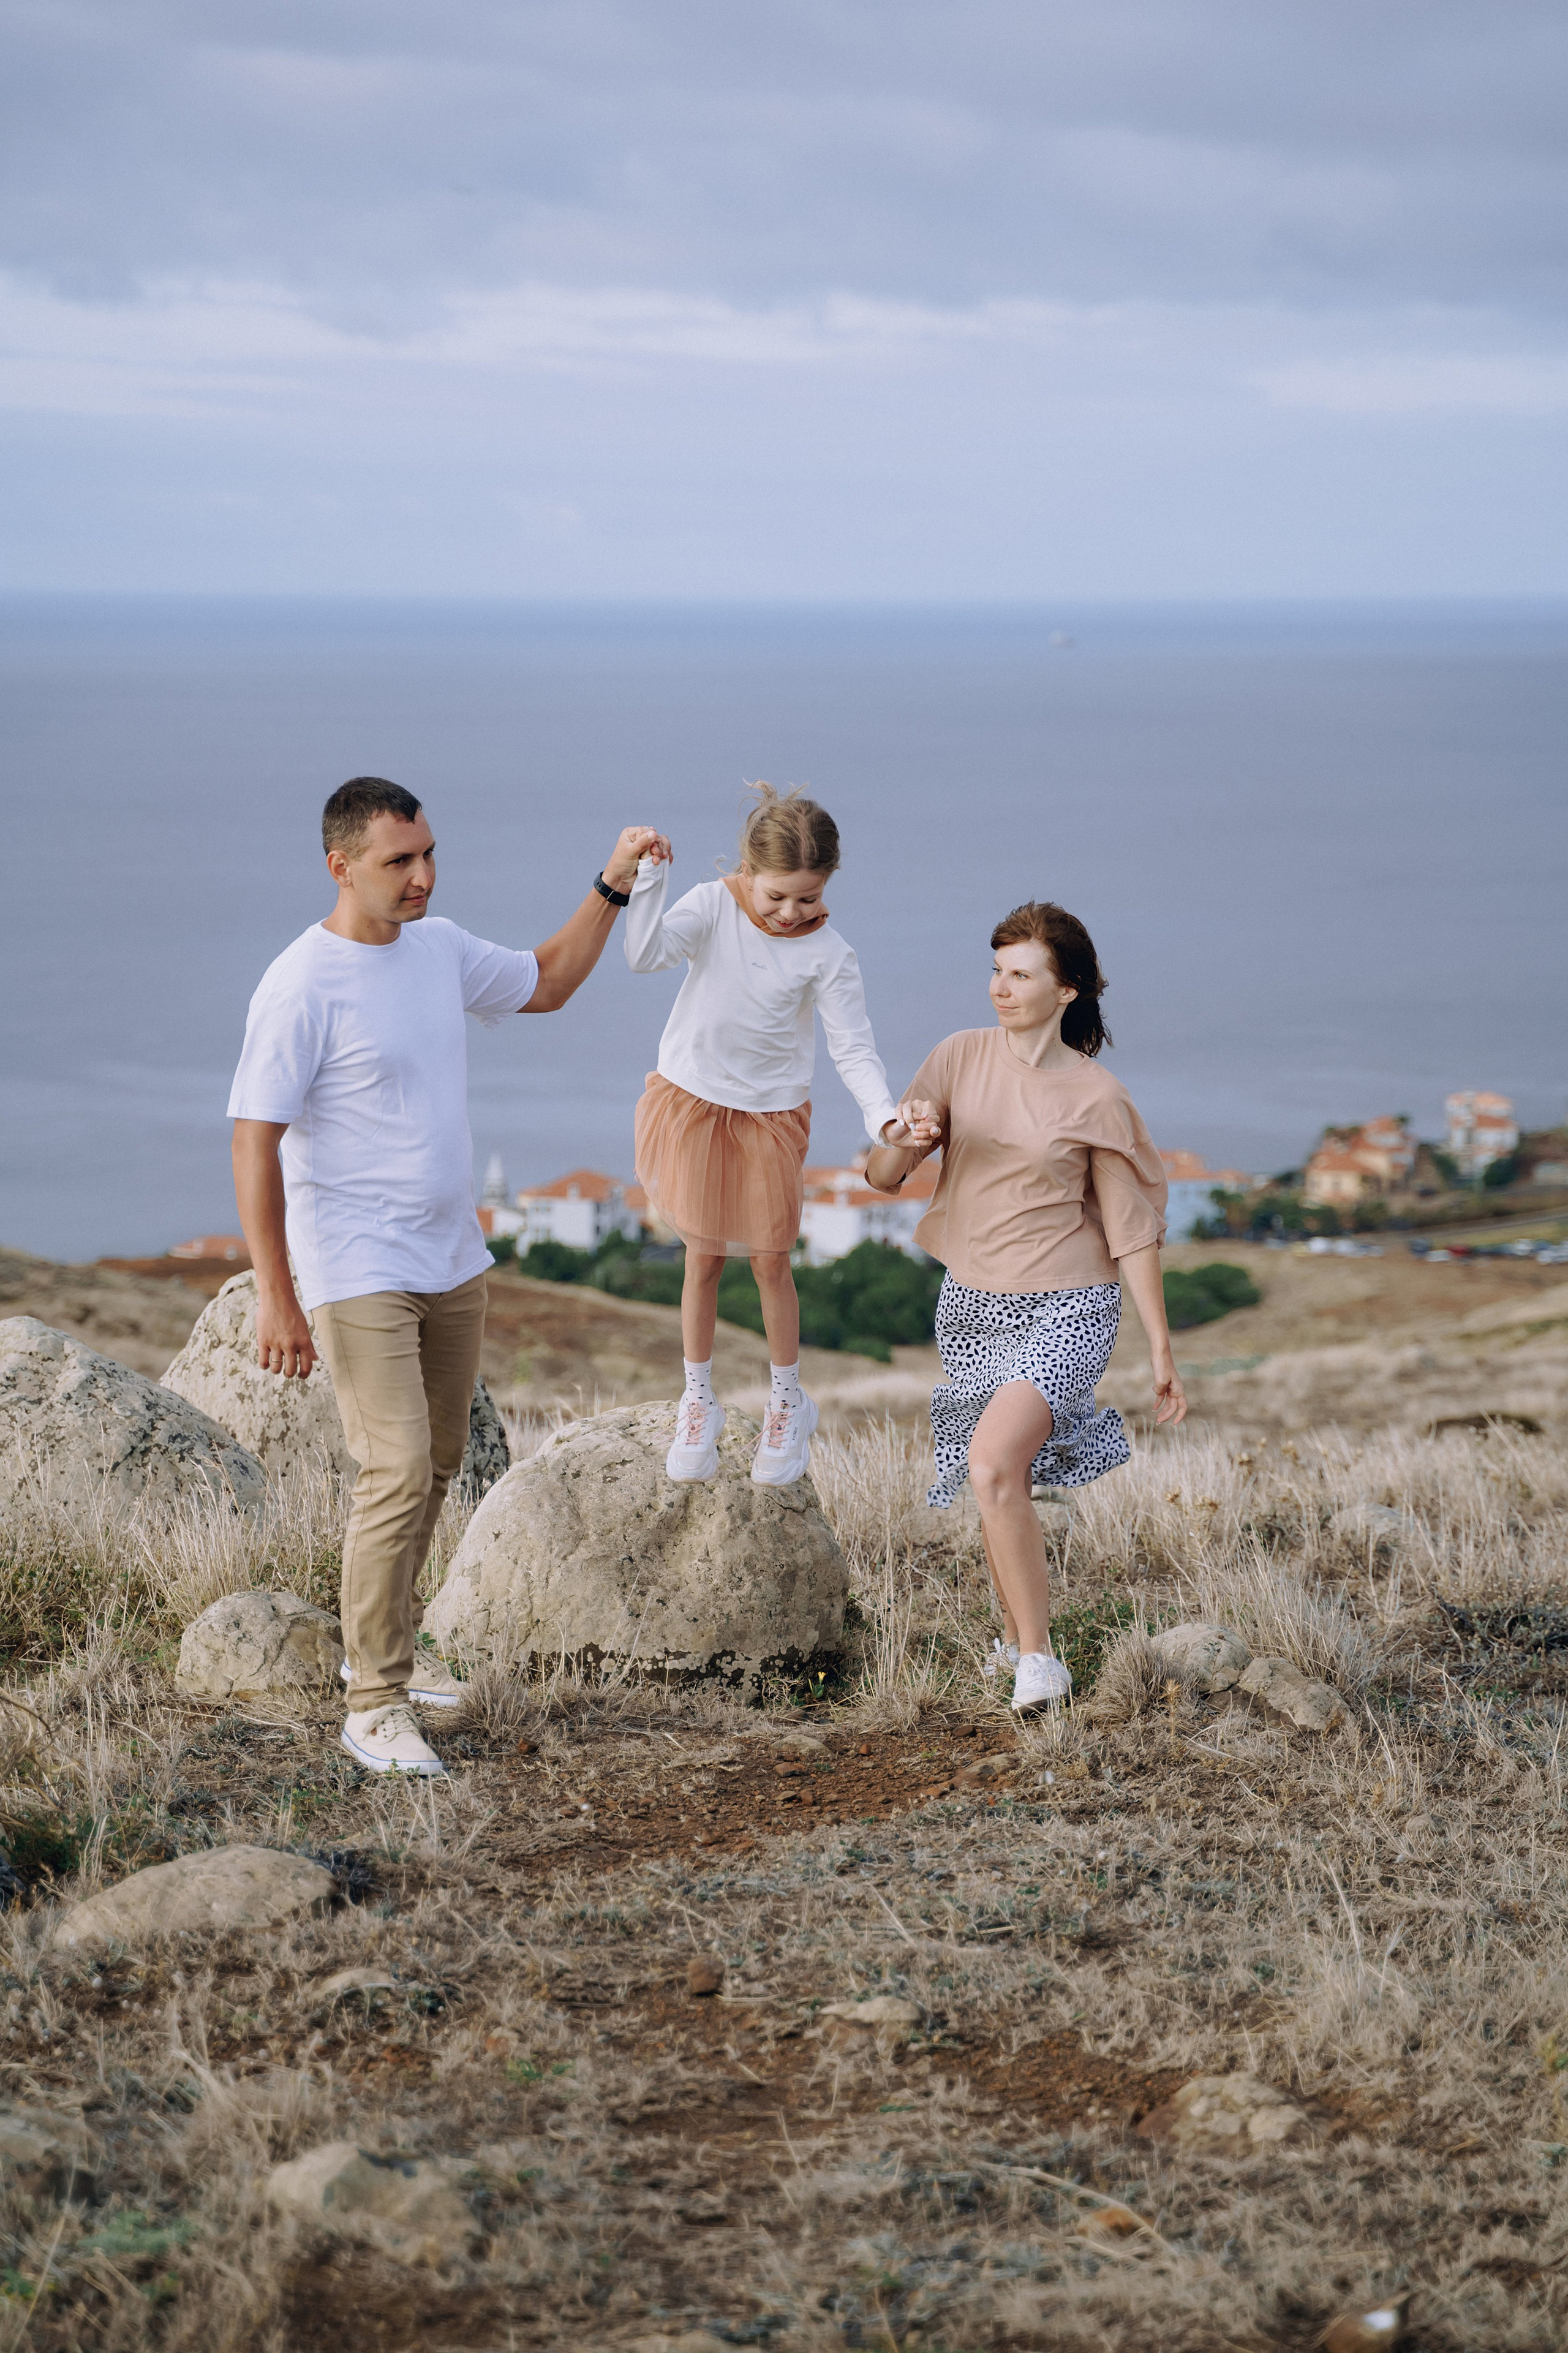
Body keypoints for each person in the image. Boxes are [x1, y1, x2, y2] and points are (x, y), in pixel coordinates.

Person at [228, 775, 669, 1778]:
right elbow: (254, 1145)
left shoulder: (438, 948)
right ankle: (374, 1703)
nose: (422, 876)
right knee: (392, 1469)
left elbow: (548, 981)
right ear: (341, 866)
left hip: (450, 1258)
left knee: (431, 1468)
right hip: (356, 1266)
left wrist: (610, 886)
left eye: (428, 855)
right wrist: (274, 1292)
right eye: (399, 861)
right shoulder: (300, 983)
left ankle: (389, 1654)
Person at [865, 899, 1186, 1716]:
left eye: (1020, 974)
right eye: (996, 970)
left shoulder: (1098, 1096)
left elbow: (1132, 1231)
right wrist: (907, 1135)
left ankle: (1040, 1664)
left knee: (992, 1464)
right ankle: (1016, 1636)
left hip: (1070, 1306)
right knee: (996, 1481)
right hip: (973, 1303)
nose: (999, 988)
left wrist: (1160, 1352)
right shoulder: (958, 1057)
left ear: (1068, 989)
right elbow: (881, 1175)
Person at [625, 784, 914, 1486]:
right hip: (693, 1101)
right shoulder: (711, 904)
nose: (791, 913)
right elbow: (644, 956)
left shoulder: (832, 955)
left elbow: (853, 1048)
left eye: (808, 899)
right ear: (747, 873)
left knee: (770, 1260)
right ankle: (700, 1398)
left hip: (771, 1116)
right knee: (701, 1258)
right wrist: (649, 881)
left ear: (829, 884)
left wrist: (884, 1119)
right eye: (777, 896)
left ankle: (788, 1399)